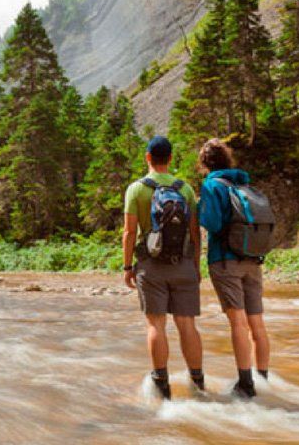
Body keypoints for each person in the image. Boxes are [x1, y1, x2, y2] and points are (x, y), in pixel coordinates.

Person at [122, 136, 205, 400]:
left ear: (147, 157)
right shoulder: (186, 190)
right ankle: (198, 383)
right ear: (170, 158)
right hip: (183, 264)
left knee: (155, 325)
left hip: (151, 265)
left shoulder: (136, 190)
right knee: (187, 324)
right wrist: (195, 265)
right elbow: (195, 233)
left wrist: (127, 266)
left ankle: (162, 387)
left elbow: (129, 232)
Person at [196, 138, 270, 399]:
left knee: (237, 322)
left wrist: (199, 210)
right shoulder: (244, 184)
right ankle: (263, 380)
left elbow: (213, 224)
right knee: (256, 322)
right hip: (252, 259)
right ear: (228, 160)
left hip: (225, 260)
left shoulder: (212, 186)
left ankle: (245, 384)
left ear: (204, 164)